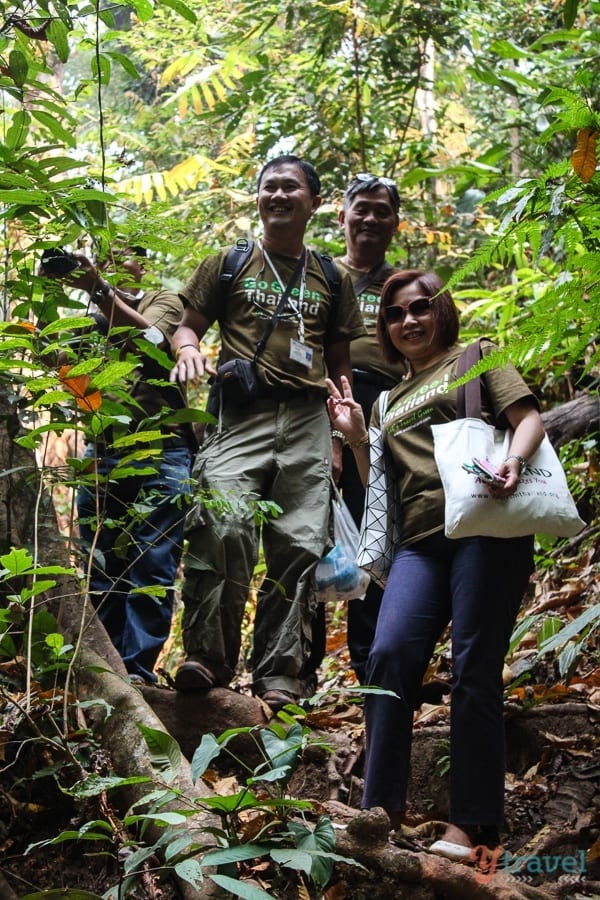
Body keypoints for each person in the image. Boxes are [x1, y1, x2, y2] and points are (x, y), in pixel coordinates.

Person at [326, 269, 545, 856]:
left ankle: (470, 822)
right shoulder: (388, 400)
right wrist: (354, 436)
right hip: (421, 541)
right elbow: (382, 490)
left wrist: (517, 463)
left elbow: (527, 418)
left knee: (474, 665)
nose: (408, 321)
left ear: (441, 310)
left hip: (485, 525)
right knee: (389, 654)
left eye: (420, 308)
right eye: (396, 314)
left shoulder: (475, 356)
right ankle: (381, 810)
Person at [169, 155, 366, 710]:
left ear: (314, 202)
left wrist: (336, 433)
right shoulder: (228, 264)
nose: (277, 196)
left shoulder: (331, 276)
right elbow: (189, 326)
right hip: (241, 414)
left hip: (307, 417)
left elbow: (339, 361)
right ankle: (207, 658)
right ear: (257, 198)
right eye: (268, 187)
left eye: (290, 188)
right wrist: (187, 350)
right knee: (222, 524)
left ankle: (281, 674)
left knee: (300, 543)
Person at [42, 247, 194, 685]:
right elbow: (62, 372)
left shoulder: (162, 300)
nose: (110, 264)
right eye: (102, 257)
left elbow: (155, 342)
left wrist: (98, 289)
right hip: (103, 452)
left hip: (163, 450)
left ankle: (138, 669)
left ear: (142, 262)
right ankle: (108, 670)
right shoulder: (83, 324)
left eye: (122, 256)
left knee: (153, 561)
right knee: (101, 564)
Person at [305, 173, 404, 688]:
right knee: (311, 538)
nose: (369, 219)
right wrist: (332, 435)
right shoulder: (318, 275)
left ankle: (374, 668)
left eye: (381, 211)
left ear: (395, 222)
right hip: (320, 408)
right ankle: (298, 675)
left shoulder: (404, 286)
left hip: (385, 411)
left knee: (378, 534)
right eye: (360, 209)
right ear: (340, 217)